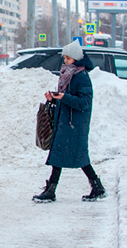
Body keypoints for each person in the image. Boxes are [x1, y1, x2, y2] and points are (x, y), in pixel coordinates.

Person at [32, 40, 105, 203]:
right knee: (61, 155)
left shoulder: (82, 77)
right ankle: (53, 190)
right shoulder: (68, 73)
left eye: (68, 58)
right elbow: (67, 98)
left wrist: (64, 97)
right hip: (65, 122)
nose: (65, 61)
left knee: (78, 157)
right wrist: (54, 98)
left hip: (75, 124)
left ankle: (95, 187)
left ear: (76, 58)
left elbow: (84, 102)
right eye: (64, 58)